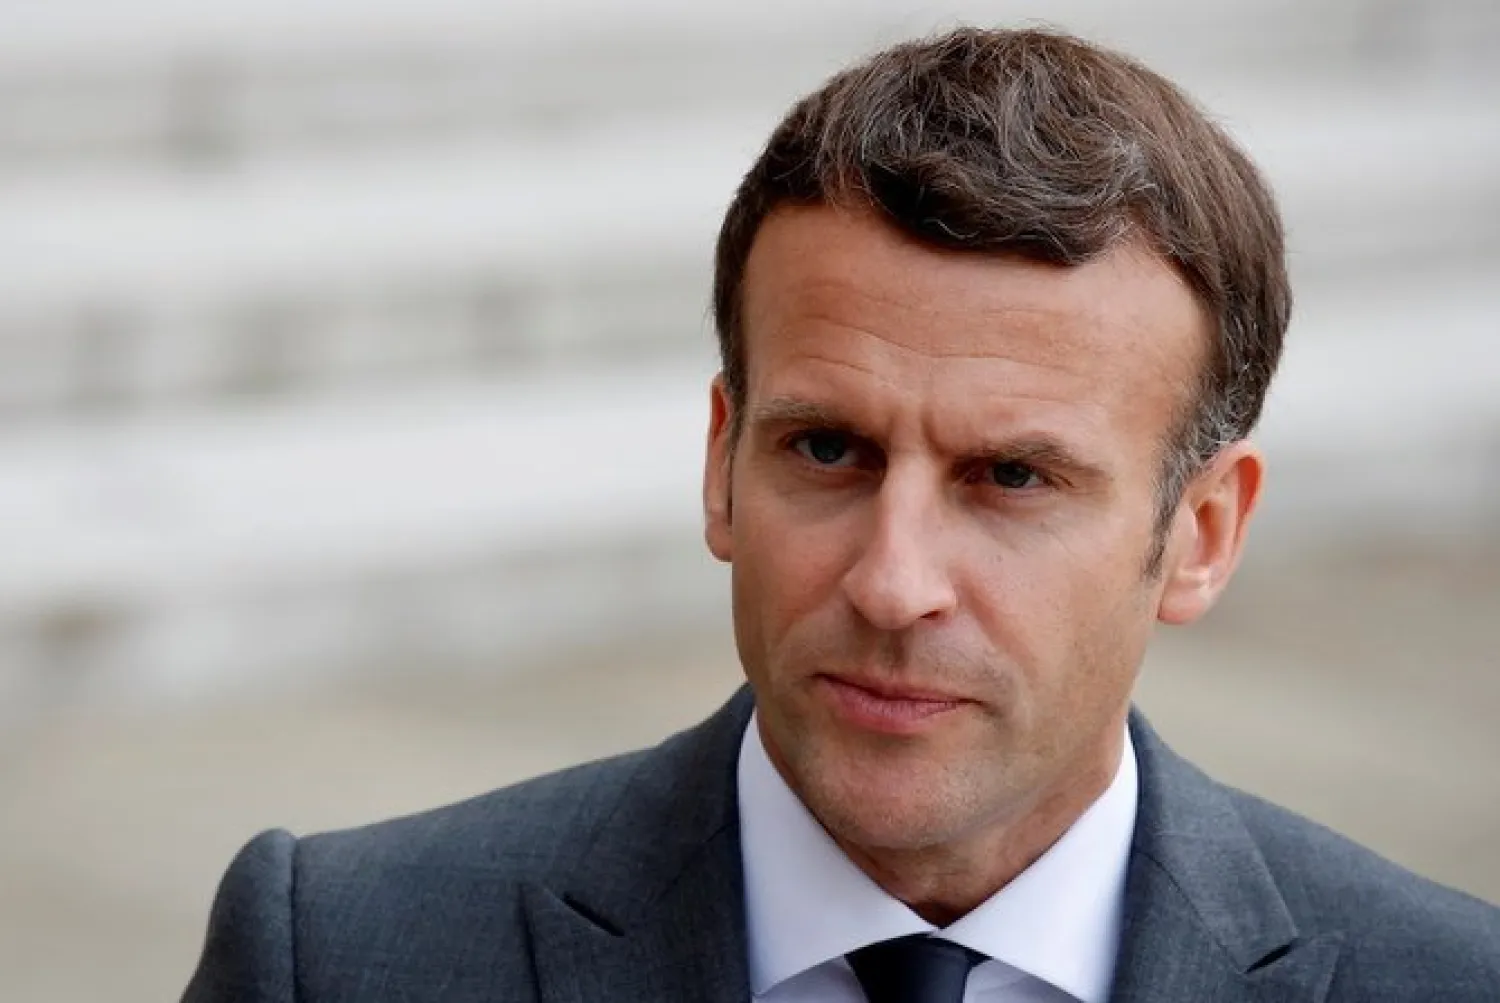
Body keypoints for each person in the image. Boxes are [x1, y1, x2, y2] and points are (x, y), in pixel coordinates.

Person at [182, 27, 1500, 1003]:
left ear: (1201, 533)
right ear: (721, 464)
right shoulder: (337, 953)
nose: (892, 579)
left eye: (1013, 478)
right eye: (828, 447)